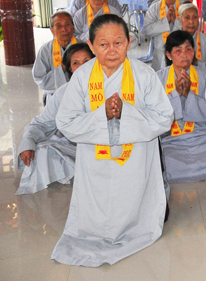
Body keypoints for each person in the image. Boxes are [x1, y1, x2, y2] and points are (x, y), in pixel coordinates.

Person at [52, 14, 174, 267]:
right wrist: (102, 115)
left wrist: (126, 113)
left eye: (118, 43)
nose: (111, 50)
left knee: (134, 204)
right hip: (94, 162)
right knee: (97, 211)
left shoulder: (144, 74)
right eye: (103, 44)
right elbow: (65, 122)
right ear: (91, 45)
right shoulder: (82, 76)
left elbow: (165, 118)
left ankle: (137, 225)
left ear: (129, 42)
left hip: (136, 158)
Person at [17, 43, 94, 195]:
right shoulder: (63, 92)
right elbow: (42, 123)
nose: (82, 67)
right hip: (76, 147)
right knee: (42, 151)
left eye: (87, 61)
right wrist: (28, 142)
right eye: (76, 63)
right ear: (70, 69)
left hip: (108, 146)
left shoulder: (111, 87)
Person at [157, 31, 206, 183]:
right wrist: (176, 95)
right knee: (166, 162)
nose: (184, 54)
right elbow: (156, 113)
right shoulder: (158, 78)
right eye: (178, 50)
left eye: (188, 49)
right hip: (171, 138)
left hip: (203, 134)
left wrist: (188, 96)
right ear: (168, 55)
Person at [33, 11, 77, 101]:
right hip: (54, 96)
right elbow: (39, 78)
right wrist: (62, 69)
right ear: (52, 31)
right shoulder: (45, 50)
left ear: (73, 27)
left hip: (79, 94)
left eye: (67, 24)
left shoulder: (83, 46)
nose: (64, 29)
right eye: (58, 25)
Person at [143, 0, 182, 71]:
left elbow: (192, 29)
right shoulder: (154, 8)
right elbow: (147, 30)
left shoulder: (185, 6)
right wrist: (166, 21)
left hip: (181, 51)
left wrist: (175, 21)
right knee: (160, 77)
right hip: (160, 52)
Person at [178, 2, 206, 69]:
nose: (191, 21)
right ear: (180, 20)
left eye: (195, 17)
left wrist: (196, 62)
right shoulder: (174, 39)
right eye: (187, 18)